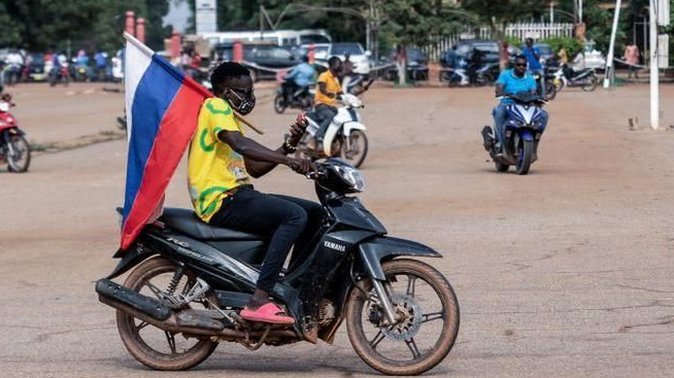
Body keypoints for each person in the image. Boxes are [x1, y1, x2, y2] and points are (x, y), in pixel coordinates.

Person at [188, 61, 322, 325]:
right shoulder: (215, 107)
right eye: (244, 92)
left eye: (251, 91)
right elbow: (241, 144)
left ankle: (291, 287)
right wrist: (289, 161)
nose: (250, 98)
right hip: (220, 198)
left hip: (239, 193)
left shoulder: (229, 117)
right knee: (293, 216)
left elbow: (255, 168)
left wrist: (289, 145)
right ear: (227, 92)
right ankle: (259, 299)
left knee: (315, 213)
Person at [492, 54, 549, 155]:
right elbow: (499, 86)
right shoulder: (505, 74)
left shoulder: (530, 78)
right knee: (499, 112)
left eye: (524, 65)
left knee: (544, 115)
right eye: (519, 64)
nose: (521, 67)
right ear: (514, 65)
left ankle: (535, 143)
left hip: (525, 105)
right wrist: (500, 91)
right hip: (508, 104)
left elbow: (533, 91)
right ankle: (500, 144)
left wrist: (538, 98)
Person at [313, 56, 343, 149]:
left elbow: (341, 93)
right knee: (330, 116)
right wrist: (327, 93)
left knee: (341, 118)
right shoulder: (324, 75)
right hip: (321, 105)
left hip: (331, 106)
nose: (341, 66)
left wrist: (354, 95)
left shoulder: (336, 79)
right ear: (332, 65)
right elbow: (322, 88)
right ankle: (318, 136)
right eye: (339, 64)